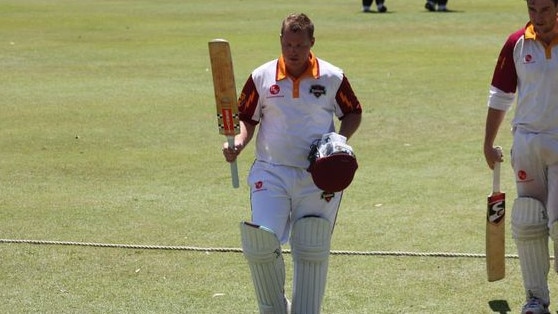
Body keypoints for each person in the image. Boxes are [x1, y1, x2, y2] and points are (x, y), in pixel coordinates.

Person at [222, 13, 362, 314]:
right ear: (280, 42)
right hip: (271, 170)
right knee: (262, 241)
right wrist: (239, 143)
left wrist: (340, 141)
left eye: (299, 44)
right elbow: (246, 117)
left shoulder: (332, 76)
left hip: (319, 176)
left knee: (311, 247)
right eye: (287, 44)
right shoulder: (262, 76)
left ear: (312, 42)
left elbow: (353, 112)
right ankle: (273, 310)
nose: (293, 50)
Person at [483, 0, 558, 313]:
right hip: (526, 143)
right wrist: (487, 143)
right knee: (528, 220)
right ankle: (535, 299)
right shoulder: (516, 43)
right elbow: (500, 95)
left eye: (544, 10)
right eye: (532, 9)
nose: (537, 18)